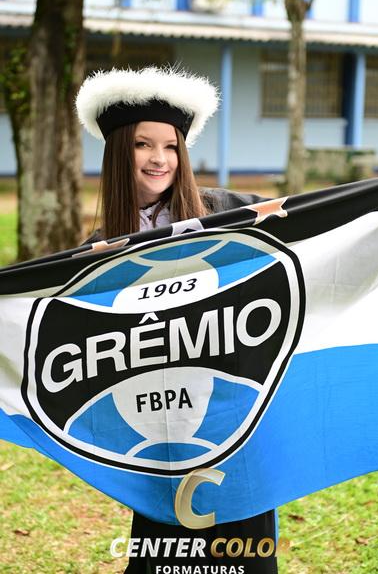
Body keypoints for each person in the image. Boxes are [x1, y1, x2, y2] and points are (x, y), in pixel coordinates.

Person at [76, 66, 278, 574]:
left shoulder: (228, 212)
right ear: (117, 151)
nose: (159, 158)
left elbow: (301, 242)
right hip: (155, 419)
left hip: (232, 408)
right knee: (163, 547)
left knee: (242, 550)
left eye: (171, 146)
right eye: (143, 144)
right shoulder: (100, 250)